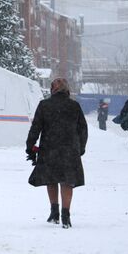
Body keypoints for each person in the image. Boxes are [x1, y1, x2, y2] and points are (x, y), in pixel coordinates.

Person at [26, 78, 88, 229]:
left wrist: (30, 145)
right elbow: (83, 129)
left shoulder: (44, 105)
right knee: (67, 181)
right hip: (70, 149)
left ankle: (54, 213)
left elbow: (36, 127)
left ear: (53, 89)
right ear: (67, 89)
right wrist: (81, 148)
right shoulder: (74, 106)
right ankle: (65, 215)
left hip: (49, 147)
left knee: (51, 179)